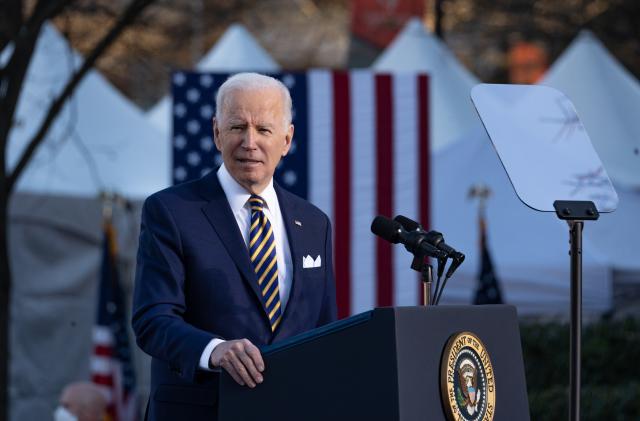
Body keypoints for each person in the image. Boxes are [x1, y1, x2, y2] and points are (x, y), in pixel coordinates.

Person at [132, 72, 337, 421]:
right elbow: (153, 319)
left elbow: (326, 330)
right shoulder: (171, 211)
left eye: (264, 130)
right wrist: (215, 351)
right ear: (216, 132)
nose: (249, 142)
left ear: (287, 140)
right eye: (237, 127)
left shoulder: (314, 223)